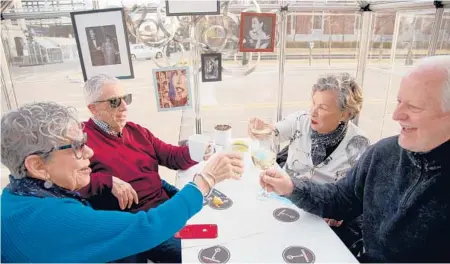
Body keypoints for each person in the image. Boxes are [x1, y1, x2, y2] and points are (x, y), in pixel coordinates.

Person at [260, 55, 450, 262]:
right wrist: (291, 187)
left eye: (414, 107)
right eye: (399, 101)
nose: (396, 115)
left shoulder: (361, 143)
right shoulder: (382, 153)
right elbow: (341, 199)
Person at [0, 102, 244, 262]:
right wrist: (205, 180)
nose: (89, 153)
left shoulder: (16, 197)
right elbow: (146, 227)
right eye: (76, 147)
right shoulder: (48, 217)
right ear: (38, 166)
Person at [79, 74, 201, 262]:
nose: (124, 106)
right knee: (196, 254)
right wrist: (107, 181)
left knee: (217, 232)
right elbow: (68, 182)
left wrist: (199, 149)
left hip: (165, 209)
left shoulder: (136, 131)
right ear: (93, 109)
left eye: (125, 98)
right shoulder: (82, 140)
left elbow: (172, 157)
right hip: (138, 225)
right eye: (114, 101)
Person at [249, 73, 369, 250]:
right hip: (284, 201)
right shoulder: (300, 121)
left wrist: (342, 213)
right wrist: (260, 128)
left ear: (345, 114)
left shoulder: (359, 144)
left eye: (323, 107)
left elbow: (355, 195)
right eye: (313, 103)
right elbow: (271, 132)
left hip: (321, 215)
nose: (313, 111)